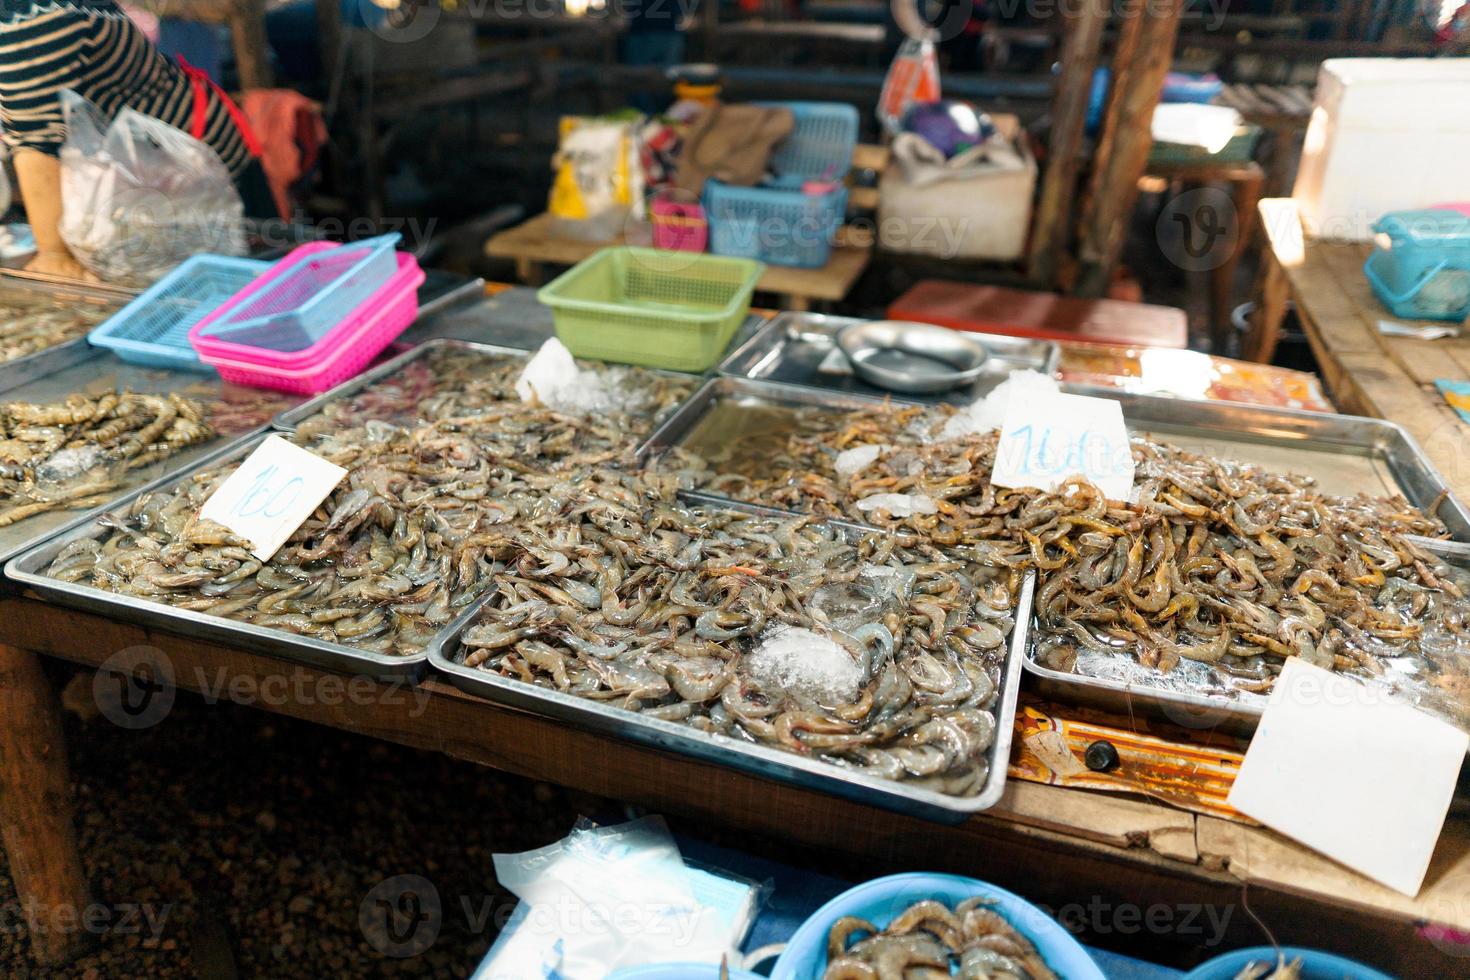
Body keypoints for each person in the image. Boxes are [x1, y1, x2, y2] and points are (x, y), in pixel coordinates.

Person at [0, 0, 274, 280]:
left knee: (249, 283)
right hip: (107, 179)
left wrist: (54, 256)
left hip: (186, 173)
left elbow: (37, 142)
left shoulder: (25, 15)